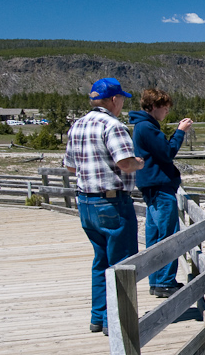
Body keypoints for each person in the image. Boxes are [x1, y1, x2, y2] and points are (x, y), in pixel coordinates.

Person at [62, 78, 144, 335]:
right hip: (112, 202)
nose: (121, 104)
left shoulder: (77, 125)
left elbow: (70, 167)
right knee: (121, 263)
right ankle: (116, 321)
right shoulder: (113, 125)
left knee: (101, 260)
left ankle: (98, 316)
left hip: (85, 200)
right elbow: (125, 163)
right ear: (113, 100)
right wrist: (139, 162)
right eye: (121, 99)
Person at [129, 89, 193, 298]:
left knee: (155, 235)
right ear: (154, 107)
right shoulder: (147, 127)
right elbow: (167, 153)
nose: (166, 113)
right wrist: (180, 131)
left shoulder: (142, 126)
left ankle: (157, 280)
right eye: (165, 109)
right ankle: (165, 281)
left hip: (151, 186)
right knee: (167, 234)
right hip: (159, 186)